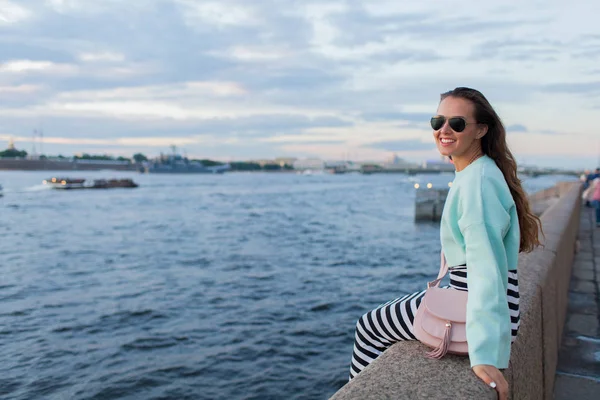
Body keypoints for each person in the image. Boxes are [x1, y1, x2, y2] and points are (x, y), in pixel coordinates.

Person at [347, 87, 542, 400]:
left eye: (457, 123)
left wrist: (484, 353)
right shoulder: (477, 172)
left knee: (369, 327)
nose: (444, 130)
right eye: (438, 121)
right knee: (387, 316)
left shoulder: (477, 183)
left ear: (481, 130)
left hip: (475, 305)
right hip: (477, 299)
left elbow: (485, 270)